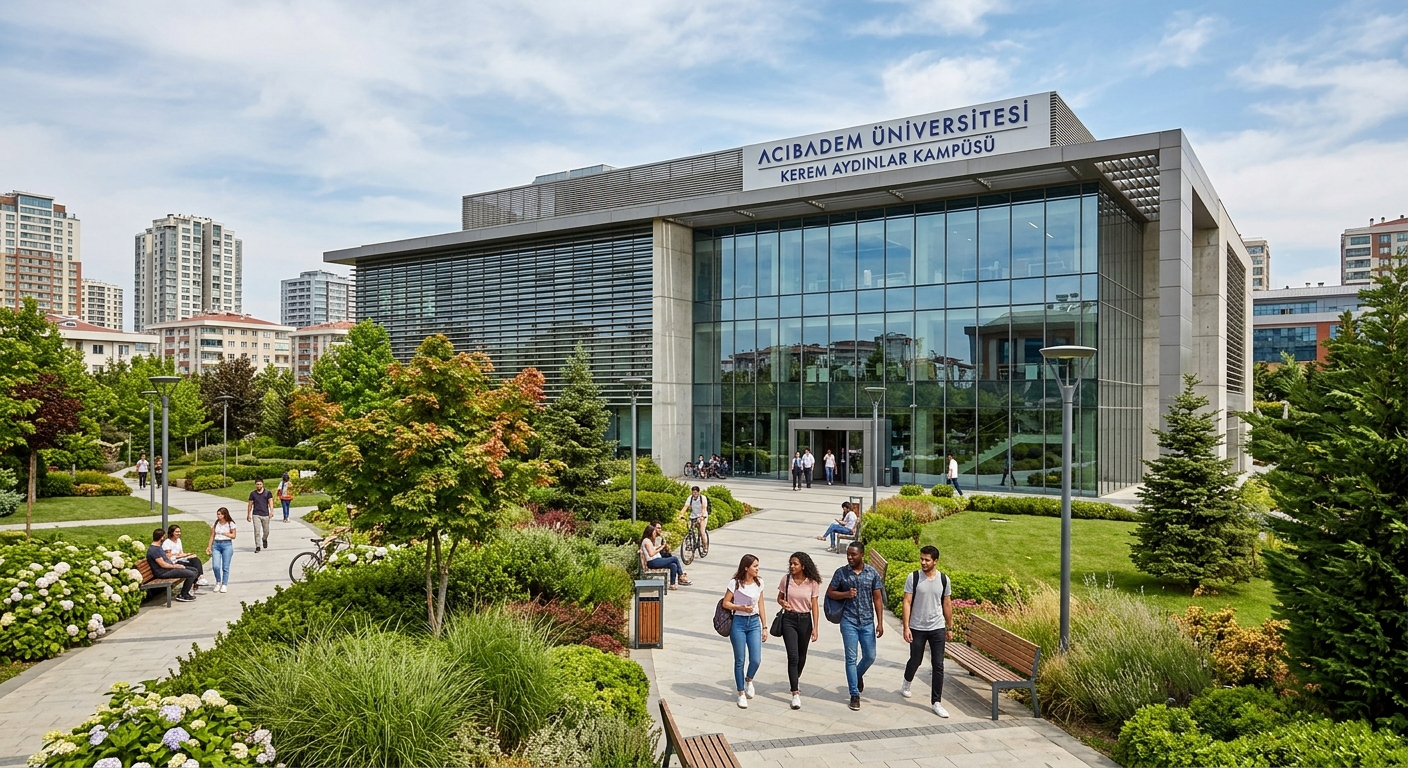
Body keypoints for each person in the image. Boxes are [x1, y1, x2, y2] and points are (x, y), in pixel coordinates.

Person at [827, 540, 884, 710]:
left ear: (862, 555)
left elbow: (878, 598)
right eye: (848, 555)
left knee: (870, 656)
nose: (850, 557)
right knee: (850, 658)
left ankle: (856, 676)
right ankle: (854, 694)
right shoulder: (841, 573)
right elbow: (830, 592)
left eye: (853, 554)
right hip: (849, 621)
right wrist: (845, 594)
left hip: (867, 622)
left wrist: (880, 622)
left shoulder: (872, 573)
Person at [901, 545, 953, 718]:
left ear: (935, 561)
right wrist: (906, 626)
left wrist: (950, 626)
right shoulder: (914, 577)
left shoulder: (944, 580)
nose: (923, 562)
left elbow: (946, 603)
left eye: (927, 560)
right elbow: (907, 602)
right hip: (917, 627)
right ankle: (907, 682)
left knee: (938, 665)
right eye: (921, 559)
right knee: (916, 660)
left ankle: (936, 702)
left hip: (937, 626)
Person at [777, 551, 822, 710]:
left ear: (803, 566)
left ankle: (795, 678)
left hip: (805, 621)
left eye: (795, 564)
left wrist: (816, 627)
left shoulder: (812, 582)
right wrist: (783, 603)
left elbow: (815, 605)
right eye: (790, 563)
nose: (792, 566)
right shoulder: (786, 579)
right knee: (793, 656)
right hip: (789, 620)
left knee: (802, 656)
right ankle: (795, 693)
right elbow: (779, 597)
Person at [723, 554, 767, 709]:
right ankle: (741, 693)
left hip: (754, 622)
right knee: (740, 660)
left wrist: (765, 626)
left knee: (756, 659)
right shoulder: (735, 583)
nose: (757, 569)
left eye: (757, 566)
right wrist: (740, 608)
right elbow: (726, 603)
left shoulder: (759, 582)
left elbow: (761, 604)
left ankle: (749, 679)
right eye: (754, 566)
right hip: (739, 623)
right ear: (746, 568)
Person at [146, 528, 197, 602]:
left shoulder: (158, 547)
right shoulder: (154, 550)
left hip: (169, 568)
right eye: (164, 536)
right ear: (162, 537)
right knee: (191, 574)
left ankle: (186, 591)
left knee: (194, 570)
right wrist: (176, 566)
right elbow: (163, 565)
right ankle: (183, 595)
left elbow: (166, 559)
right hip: (163, 572)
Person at [640, 522, 690, 589]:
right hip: (653, 562)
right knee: (674, 558)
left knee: (673, 565)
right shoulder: (646, 541)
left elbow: (653, 549)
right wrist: (660, 548)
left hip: (656, 560)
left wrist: (662, 546)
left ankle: (672, 585)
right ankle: (681, 576)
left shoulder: (649, 541)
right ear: (650, 533)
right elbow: (651, 554)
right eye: (654, 533)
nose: (655, 534)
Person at [162, 524, 209, 592]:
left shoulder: (178, 540)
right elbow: (169, 556)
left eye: (179, 532)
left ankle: (201, 577)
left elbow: (181, 552)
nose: (179, 533)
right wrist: (181, 555)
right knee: (194, 569)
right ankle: (193, 585)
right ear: (171, 532)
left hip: (181, 559)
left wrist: (188, 555)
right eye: (177, 532)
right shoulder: (167, 542)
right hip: (174, 562)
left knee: (195, 560)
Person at [205, 507, 237, 593]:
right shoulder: (215, 524)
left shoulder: (230, 524)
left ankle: (224, 584)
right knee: (216, 566)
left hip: (227, 545)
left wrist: (226, 534)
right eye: (218, 514)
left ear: (224, 515)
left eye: (220, 514)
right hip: (217, 545)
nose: (218, 516)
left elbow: (234, 536)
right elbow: (212, 535)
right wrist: (209, 546)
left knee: (225, 567)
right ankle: (218, 582)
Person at [247, 478, 274, 552]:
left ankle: (264, 539)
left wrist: (271, 511)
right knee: (257, 531)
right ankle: (258, 546)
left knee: (266, 531)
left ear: (263, 484)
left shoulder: (267, 493)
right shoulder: (253, 494)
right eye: (257, 484)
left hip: (265, 514)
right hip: (256, 514)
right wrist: (248, 514)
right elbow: (250, 504)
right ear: (255, 485)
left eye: (260, 484)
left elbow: (270, 502)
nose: (259, 486)